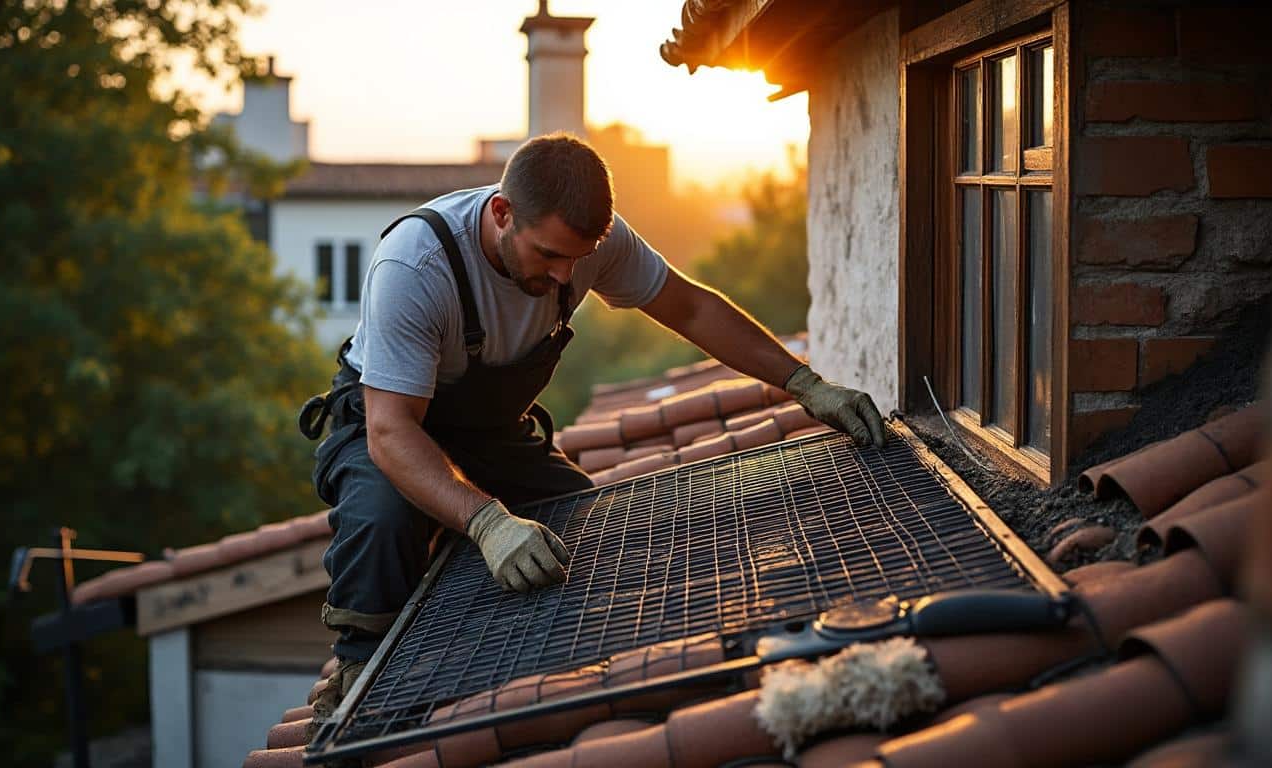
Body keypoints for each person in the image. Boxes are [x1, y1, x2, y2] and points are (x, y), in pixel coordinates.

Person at [300, 133, 886, 732]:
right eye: (549, 255)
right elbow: (391, 433)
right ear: (502, 213)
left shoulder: (587, 246)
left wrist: (805, 384)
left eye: (578, 259)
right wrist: (488, 523)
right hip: (390, 426)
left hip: (492, 435)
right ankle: (358, 683)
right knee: (384, 519)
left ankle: (553, 663)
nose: (565, 275)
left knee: (590, 535)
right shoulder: (417, 266)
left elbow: (690, 308)